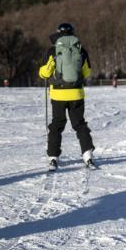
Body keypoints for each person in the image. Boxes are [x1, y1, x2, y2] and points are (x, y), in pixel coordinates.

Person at [38, 22, 96, 171]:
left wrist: (45, 72)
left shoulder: (52, 50)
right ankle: (87, 154)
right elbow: (87, 72)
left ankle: (53, 157)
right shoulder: (81, 50)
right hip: (76, 93)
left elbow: (44, 72)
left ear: (58, 33)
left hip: (58, 94)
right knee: (79, 124)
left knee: (57, 124)